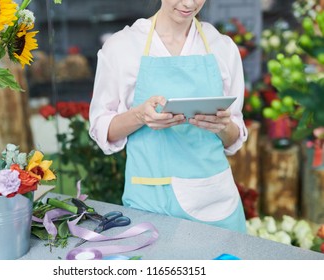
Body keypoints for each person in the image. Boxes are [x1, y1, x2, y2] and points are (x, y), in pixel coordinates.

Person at [89, 0, 248, 233]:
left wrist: (223, 125)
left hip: (216, 201)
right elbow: (102, 128)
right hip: (152, 202)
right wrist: (139, 116)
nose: (189, 3)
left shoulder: (222, 47)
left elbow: (234, 137)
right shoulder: (123, 47)